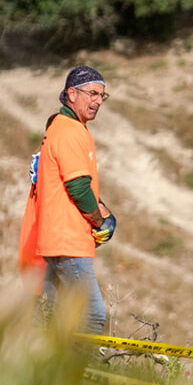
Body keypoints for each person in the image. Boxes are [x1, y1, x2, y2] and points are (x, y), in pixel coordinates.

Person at [18, 66, 117, 334]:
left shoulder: (63, 128)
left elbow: (72, 183)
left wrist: (101, 209)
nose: (98, 101)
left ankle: (42, 358)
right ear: (72, 94)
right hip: (68, 240)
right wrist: (99, 221)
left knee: (49, 314)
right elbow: (78, 187)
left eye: (102, 96)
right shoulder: (70, 130)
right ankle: (80, 363)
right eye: (93, 93)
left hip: (54, 239)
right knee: (92, 315)